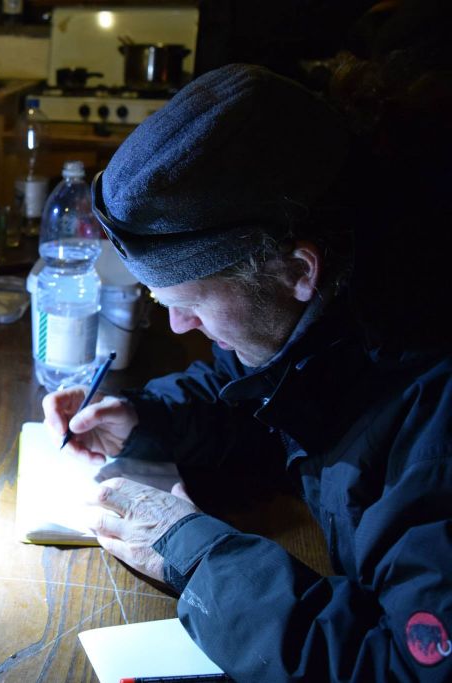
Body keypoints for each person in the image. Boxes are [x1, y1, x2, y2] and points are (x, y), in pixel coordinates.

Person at [42, 61, 452, 680]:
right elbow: (274, 400)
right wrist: (147, 418)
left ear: (297, 269)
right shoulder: (339, 307)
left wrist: (199, 557)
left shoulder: (434, 422)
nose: (178, 327)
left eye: (189, 302)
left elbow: (404, 669)